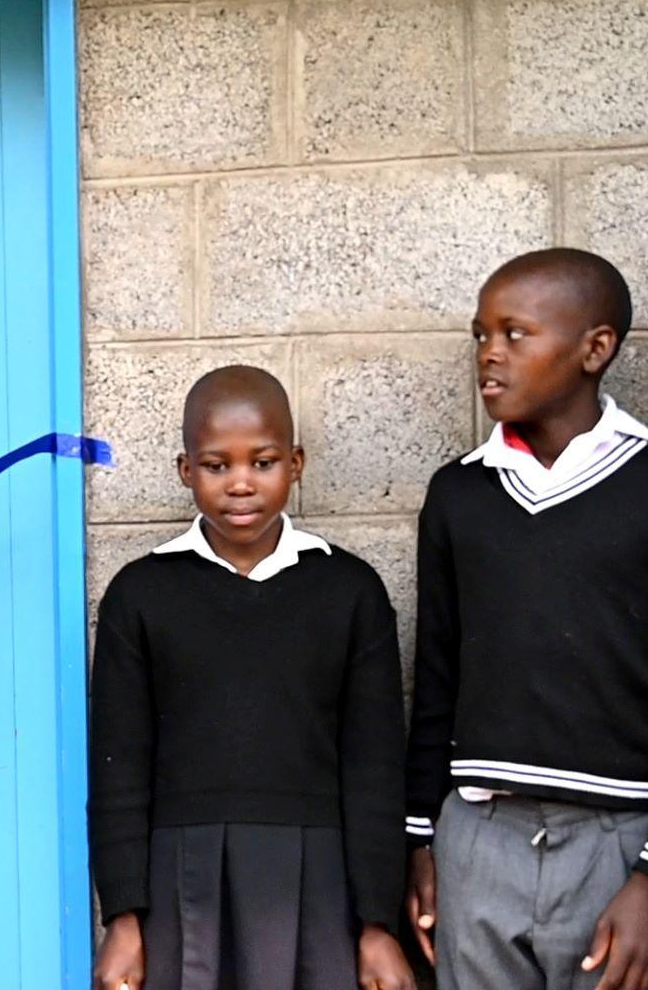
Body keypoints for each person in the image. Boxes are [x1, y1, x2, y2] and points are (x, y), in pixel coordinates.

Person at [404, 249, 648, 990]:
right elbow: (435, 677)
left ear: (595, 348)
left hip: (619, 847)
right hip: (478, 840)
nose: (490, 352)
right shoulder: (460, 493)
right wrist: (421, 838)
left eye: (516, 333)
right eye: (481, 334)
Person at [89, 366, 414, 990]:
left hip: (319, 878)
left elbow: (375, 767)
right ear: (187, 469)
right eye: (217, 466)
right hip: (180, 877)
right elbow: (119, 766)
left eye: (262, 462)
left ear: (295, 463)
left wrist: (377, 924)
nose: (241, 484)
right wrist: (124, 916)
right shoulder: (142, 594)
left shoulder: (349, 590)